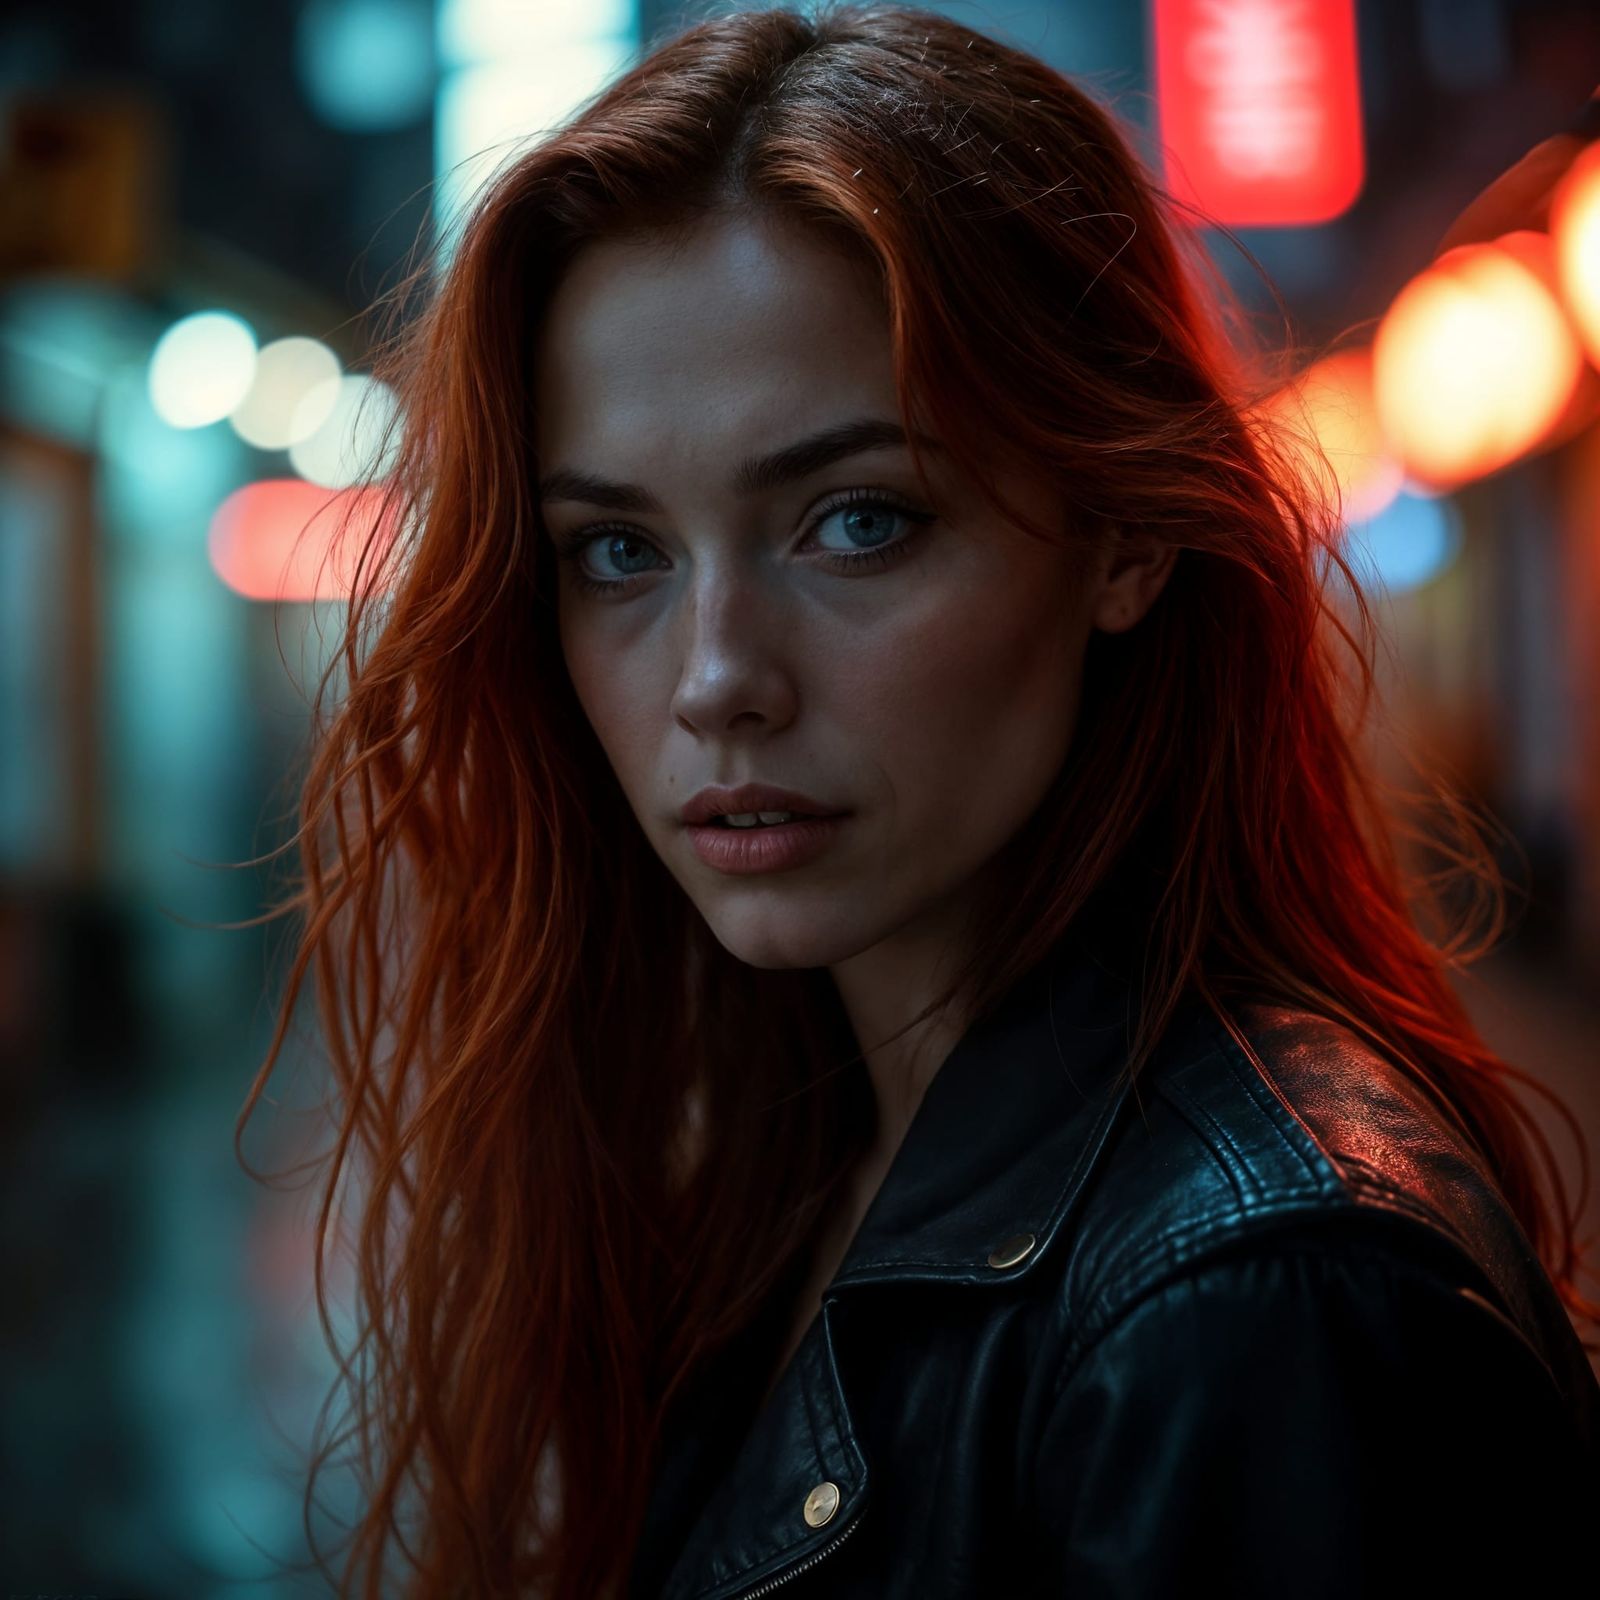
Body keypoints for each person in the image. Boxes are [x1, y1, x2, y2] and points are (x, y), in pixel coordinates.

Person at [236, 7, 1600, 1597]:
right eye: (619, 550)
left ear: (1122, 540)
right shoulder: (780, 1132)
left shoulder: (1258, 1301)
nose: (714, 677)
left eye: (857, 522)